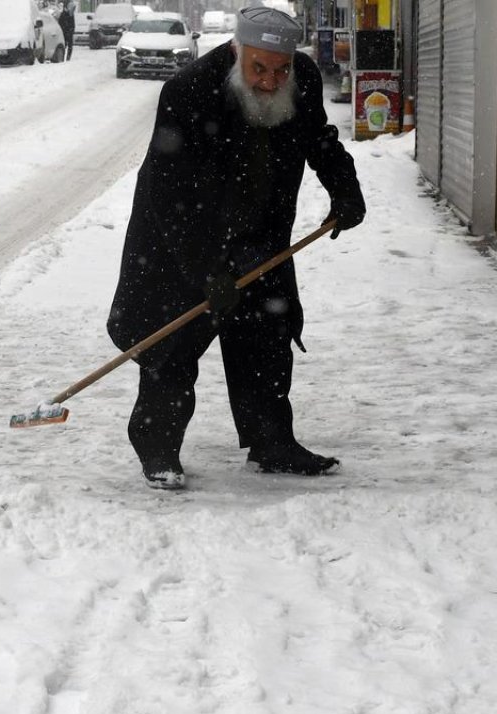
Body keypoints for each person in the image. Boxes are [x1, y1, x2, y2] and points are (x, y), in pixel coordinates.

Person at [105, 6, 365, 491]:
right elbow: (166, 189)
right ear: (235, 51)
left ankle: (272, 443)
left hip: (260, 235)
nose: (270, 81)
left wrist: (344, 187)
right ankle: (158, 447)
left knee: (267, 336)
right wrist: (206, 270)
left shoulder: (302, 79)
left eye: (281, 69)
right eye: (259, 68)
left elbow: (318, 138)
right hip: (184, 238)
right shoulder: (188, 91)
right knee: (172, 347)